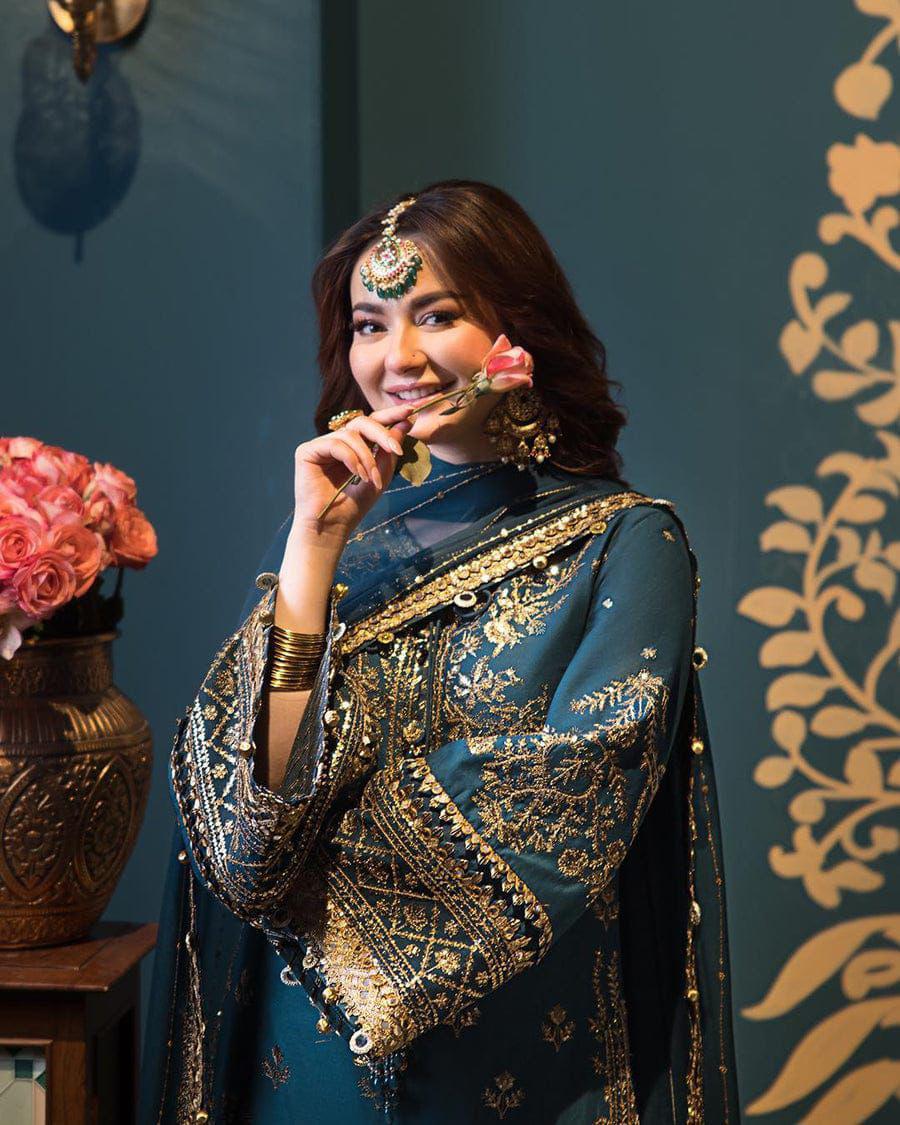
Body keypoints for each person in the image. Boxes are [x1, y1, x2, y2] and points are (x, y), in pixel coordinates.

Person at [140, 180, 741, 1124]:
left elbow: (563, 797)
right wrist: (311, 547)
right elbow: (247, 833)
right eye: (369, 325)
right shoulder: (328, 547)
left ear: (519, 332)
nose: (398, 358)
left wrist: (302, 856)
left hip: (519, 1075)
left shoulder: (622, 545)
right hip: (293, 1072)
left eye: (438, 315)